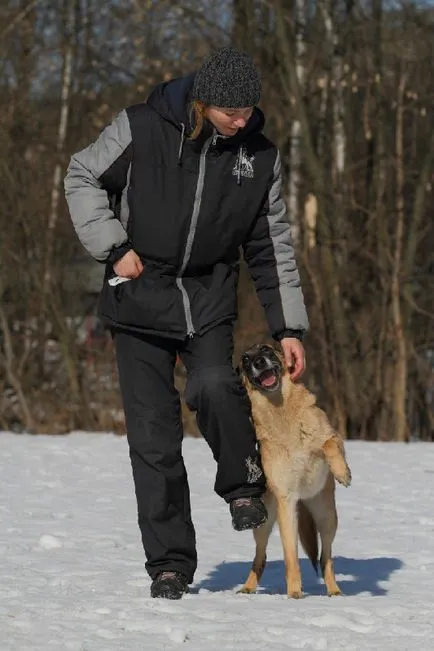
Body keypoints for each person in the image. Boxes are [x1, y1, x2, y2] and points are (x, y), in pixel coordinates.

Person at [64, 47, 309, 600]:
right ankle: (170, 565)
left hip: (207, 295)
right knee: (154, 441)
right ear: (203, 100)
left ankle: (244, 488)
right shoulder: (141, 128)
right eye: (230, 109)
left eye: (249, 108)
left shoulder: (259, 157)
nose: (241, 118)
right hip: (139, 296)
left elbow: (272, 247)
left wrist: (289, 327)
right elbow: (81, 177)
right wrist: (113, 246)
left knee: (216, 384)